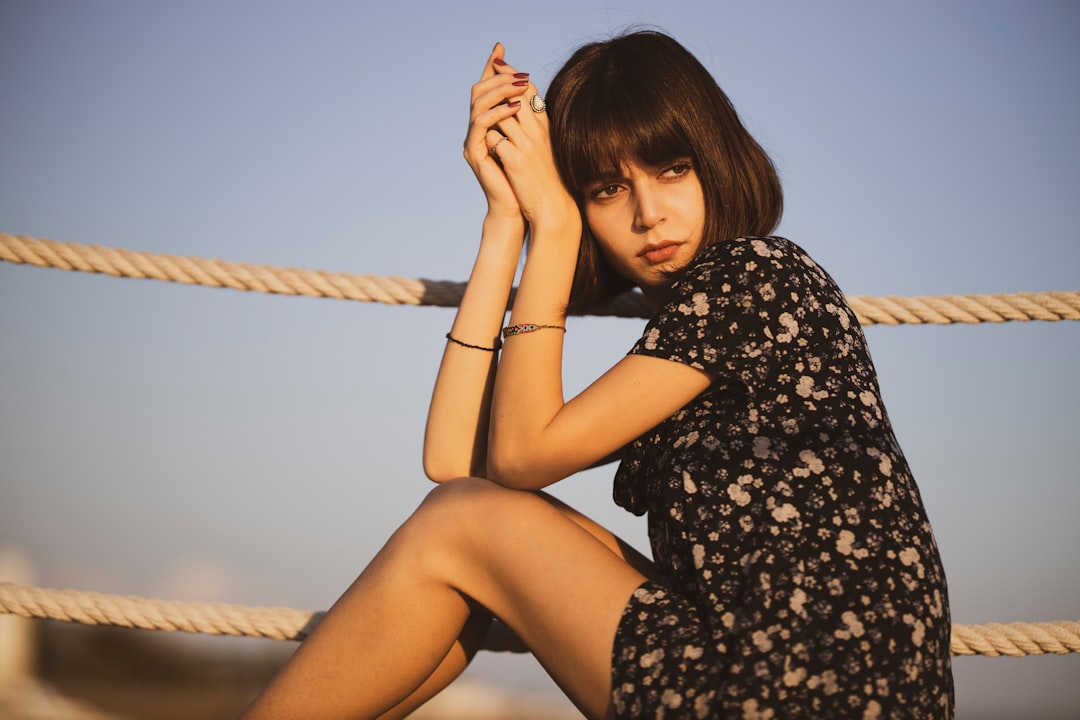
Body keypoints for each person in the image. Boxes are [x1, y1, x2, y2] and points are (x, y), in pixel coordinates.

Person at [241, 31, 954, 719]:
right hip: (786, 670)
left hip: (804, 685)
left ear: (717, 159)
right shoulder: (688, 333)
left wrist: (555, 224)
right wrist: (504, 225)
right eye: (608, 189)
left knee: (460, 525)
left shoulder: (757, 275)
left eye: (673, 169)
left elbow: (515, 460)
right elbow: (454, 463)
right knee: (460, 523)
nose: (650, 213)